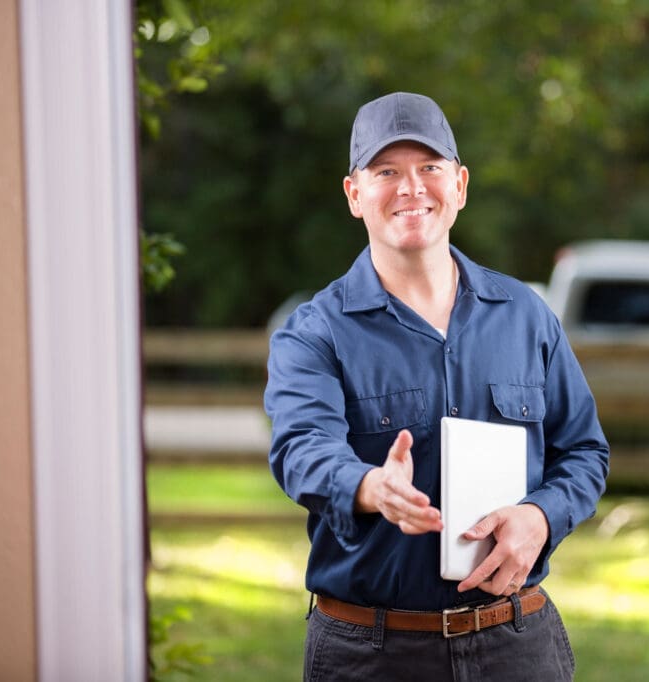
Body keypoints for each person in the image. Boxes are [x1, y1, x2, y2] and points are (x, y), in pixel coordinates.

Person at [264, 91, 609, 682]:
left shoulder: (527, 315)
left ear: (461, 185)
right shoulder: (315, 332)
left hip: (516, 643)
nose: (411, 187)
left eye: (429, 168)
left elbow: (583, 452)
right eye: (386, 172)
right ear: (355, 194)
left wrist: (543, 517)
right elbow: (300, 450)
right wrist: (371, 486)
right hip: (370, 654)